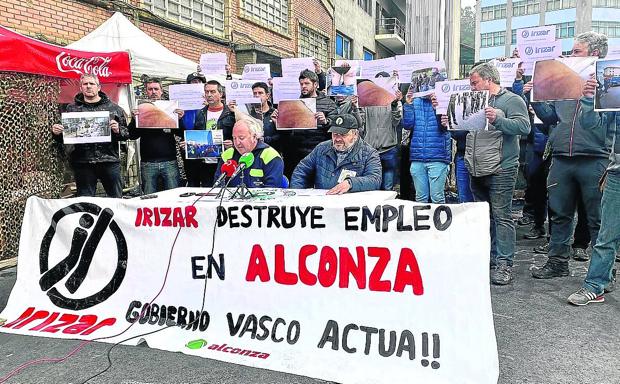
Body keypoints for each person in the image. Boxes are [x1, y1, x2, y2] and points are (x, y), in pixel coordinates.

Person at [528, 32, 616, 279]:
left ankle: (603, 274)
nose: (570, 55)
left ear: (594, 54)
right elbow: (549, 119)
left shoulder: (610, 83)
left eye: (576, 51)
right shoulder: (563, 81)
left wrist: (591, 97)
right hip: (561, 158)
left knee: (599, 220)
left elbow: (608, 124)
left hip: (596, 158)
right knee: (559, 214)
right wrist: (534, 98)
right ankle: (557, 263)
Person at [441, 62, 530, 285]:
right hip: (476, 167)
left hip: (501, 168)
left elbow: (524, 127)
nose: (472, 88)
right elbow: (467, 133)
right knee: (483, 217)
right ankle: (488, 256)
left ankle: (504, 263)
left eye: (475, 83)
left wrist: (498, 119)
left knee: (502, 217)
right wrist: (451, 123)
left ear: (489, 80)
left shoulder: (512, 100)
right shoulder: (472, 101)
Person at [567, 111, 620, 305]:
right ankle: (594, 286)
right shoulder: (614, 92)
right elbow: (591, 124)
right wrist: (589, 100)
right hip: (617, 174)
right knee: (607, 235)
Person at [51, 74, 128, 198]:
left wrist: (118, 130)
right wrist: (56, 133)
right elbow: (64, 137)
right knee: (86, 203)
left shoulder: (114, 108)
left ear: (98, 87)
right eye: (85, 84)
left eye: (91, 84)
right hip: (83, 163)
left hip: (109, 161)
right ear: (81, 88)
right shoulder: (72, 109)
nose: (88, 87)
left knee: (116, 200)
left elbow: (126, 134)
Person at [290, 114, 382, 194]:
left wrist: (351, 183)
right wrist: (298, 193)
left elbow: (375, 180)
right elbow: (301, 170)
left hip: (350, 206)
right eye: (335, 134)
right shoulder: (321, 148)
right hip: (322, 204)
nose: (337, 139)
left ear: (355, 134)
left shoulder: (369, 153)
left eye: (343, 135)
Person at [272, 69, 337, 178]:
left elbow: (336, 127)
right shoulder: (294, 104)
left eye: (307, 83)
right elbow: (287, 134)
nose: (303, 86)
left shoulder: (329, 104)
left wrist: (326, 121)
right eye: (301, 84)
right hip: (297, 155)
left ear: (315, 84)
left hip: (320, 153)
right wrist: (278, 123)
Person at [129, 78, 184, 194]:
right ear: (146, 91)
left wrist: (180, 119)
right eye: (150, 89)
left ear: (161, 91)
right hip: (148, 163)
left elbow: (181, 134)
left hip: (169, 161)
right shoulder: (142, 109)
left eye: (156, 89)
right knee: (149, 198)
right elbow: (132, 135)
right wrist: (134, 120)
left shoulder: (171, 109)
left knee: (173, 197)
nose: (153, 92)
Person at [404, 93, 451, 203]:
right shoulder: (415, 101)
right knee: (420, 198)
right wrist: (408, 104)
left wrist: (438, 108)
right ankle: (422, 220)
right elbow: (407, 125)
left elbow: (445, 128)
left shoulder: (445, 99)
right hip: (418, 157)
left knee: (437, 197)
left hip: (438, 157)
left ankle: (441, 220)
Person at [187, 80, 236, 186]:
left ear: (221, 94)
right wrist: (188, 143)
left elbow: (239, 134)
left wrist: (233, 143)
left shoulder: (231, 113)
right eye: (207, 92)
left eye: (213, 92)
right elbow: (196, 134)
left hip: (225, 161)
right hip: (205, 163)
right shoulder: (200, 113)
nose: (209, 95)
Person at [214, 119, 283, 188]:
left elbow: (272, 191)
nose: (237, 143)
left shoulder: (271, 156)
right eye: (234, 138)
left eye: (241, 138)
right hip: (229, 198)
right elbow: (218, 185)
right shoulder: (228, 155)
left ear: (254, 137)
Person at [361, 87, 402, 191]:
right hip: (371, 148)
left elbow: (396, 122)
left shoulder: (394, 101)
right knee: (372, 187)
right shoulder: (367, 101)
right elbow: (361, 123)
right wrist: (356, 106)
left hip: (388, 147)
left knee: (387, 188)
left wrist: (394, 105)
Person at [250, 82, 280, 152]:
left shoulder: (276, 113)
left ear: (267, 96)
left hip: (272, 153)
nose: (257, 96)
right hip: (253, 154)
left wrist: (265, 139)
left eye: (260, 93)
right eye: (255, 93)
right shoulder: (249, 114)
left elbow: (283, 136)